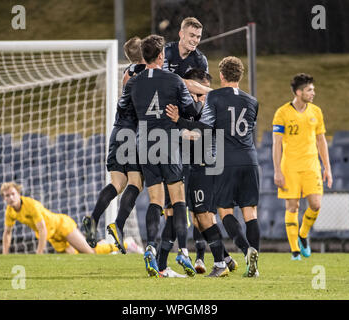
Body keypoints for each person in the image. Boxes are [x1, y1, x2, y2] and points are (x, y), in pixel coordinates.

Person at [166, 56, 261, 277]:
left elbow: (203, 128)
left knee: (225, 211)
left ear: (221, 75)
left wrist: (179, 120)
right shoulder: (252, 101)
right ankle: (253, 256)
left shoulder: (214, 96)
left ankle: (236, 255)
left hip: (226, 161)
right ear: (240, 75)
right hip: (250, 159)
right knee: (251, 213)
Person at [117, 34, 202, 277]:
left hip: (145, 143)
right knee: (177, 200)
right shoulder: (174, 80)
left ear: (144, 57)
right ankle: (183, 252)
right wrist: (199, 101)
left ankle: (151, 249)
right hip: (167, 141)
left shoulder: (133, 83)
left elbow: (124, 110)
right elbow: (190, 110)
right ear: (162, 56)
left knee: (155, 200)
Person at [157, 68, 237, 277]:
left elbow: (198, 133)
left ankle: (219, 260)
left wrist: (181, 127)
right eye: (195, 94)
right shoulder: (184, 107)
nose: (197, 98)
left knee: (202, 217)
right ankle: (163, 263)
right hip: (182, 167)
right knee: (180, 216)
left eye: (201, 94)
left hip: (203, 168)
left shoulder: (211, 109)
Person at [82, 36, 146, 254]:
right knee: (136, 182)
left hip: (117, 130)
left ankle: (94, 218)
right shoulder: (147, 75)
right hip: (133, 133)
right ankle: (118, 224)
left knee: (118, 183)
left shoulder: (128, 72)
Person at [272, 73, 333, 260]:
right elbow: (276, 144)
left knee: (315, 204)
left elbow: (321, 140)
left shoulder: (316, 112)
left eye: (313, 89)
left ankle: (303, 235)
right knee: (292, 206)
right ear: (299, 92)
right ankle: (295, 251)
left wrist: (327, 168)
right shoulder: (282, 113)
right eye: (309, 90)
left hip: (311, 166)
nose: (313, 93)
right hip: (289, 167)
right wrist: (277, 171)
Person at [0, 182, 94, 254]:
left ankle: (105, 244)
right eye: (7, 196)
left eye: (13, 194)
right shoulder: (9, 212)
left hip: (62, 225)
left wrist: (39, 253)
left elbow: (42, 229)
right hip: (52, 235)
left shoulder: (31, 205)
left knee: (89, 252)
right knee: (74, 257)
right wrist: (5, 254)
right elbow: (7, 232)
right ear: (4, 198)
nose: (11, 198)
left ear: (18, 194)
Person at [163, 17, 212, 96]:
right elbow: (164, 81)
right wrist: (190, 85)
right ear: (181, 34)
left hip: (187, 101)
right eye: (192, 36)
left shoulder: (200, 59)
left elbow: (204, 87)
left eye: (198, 37)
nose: (195, 40)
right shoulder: (166, 52)